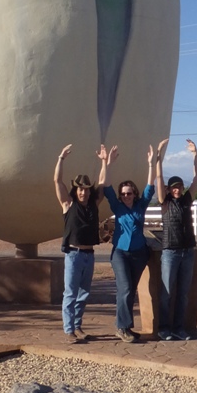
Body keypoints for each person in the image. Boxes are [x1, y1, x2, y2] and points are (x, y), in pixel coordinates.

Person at [99, 143, 157, 343]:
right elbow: (106, 187)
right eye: (123, 193)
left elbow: (151, 187)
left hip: (139, 253)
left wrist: (151, 164)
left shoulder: (140, 206)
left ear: (134, 193)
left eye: (129, 193)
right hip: (120, 253)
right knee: (124, 289)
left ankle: (125, 328)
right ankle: (121, 328)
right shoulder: (117, 206)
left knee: (130, 291)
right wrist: (108, 163)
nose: (125, 196)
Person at [54, 143, 102, 344]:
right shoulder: (68, 204)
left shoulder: (93, 205)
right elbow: (57, 180)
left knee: (83, 294)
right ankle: (68, 330)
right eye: (80, 189)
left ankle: (77, 326)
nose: (83, 192)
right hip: (73, 255)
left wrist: (104, 161)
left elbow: (103, 182)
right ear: (76, 190)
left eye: (86, 190)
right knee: (71, 293)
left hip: (89, 255)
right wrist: (61, 159)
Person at [157, 137, 197, 341]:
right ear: (168, 189)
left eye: (179, 186)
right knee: (166, 293)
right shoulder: (164, 202)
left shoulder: (186, 200)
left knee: (183, 293)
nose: (177, 189)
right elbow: (158, 179)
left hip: (188, 252)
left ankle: (178, 328)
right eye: (173, 187)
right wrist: (158, 158)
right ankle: (164, 328)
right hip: (170, 252)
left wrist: (195, 154)